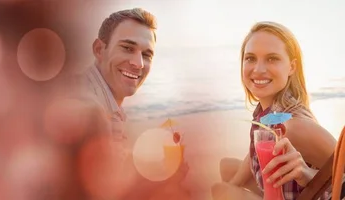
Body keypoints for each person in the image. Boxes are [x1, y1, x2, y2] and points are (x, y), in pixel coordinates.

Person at [211, 21, 337, 200]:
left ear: (291, 67)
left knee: (220, 191)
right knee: (227, 168)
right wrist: (233, 184)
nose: (258, 69)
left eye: (272, 58)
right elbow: (255, 151)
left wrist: (307, 176)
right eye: (251, 58)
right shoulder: (266, 112)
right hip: (278, 190)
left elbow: (341, 171)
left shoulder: (294, 125)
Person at [78, 7, 190, 199]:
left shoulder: (107, 102)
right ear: (99, 49)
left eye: (146, 55)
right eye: (127, 48)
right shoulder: (90, 110)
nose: (138, 63)